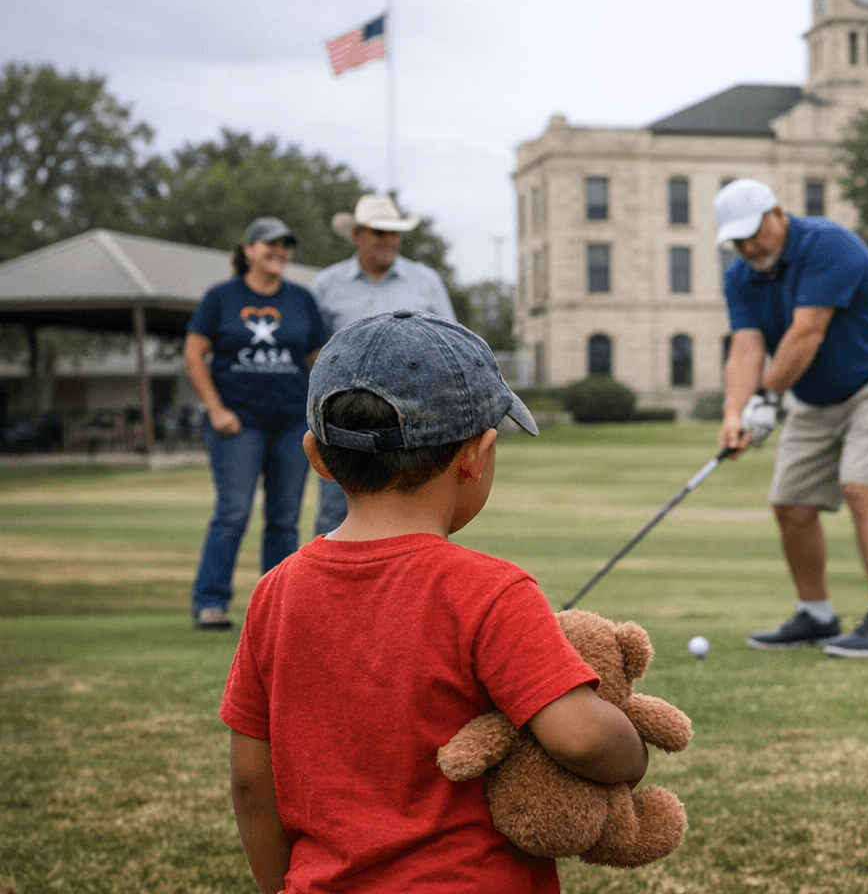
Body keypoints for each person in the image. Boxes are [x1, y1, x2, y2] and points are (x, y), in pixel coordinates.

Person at [220, 310, 648, 893]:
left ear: (317, 458)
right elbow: (582, 737)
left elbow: (250, 778)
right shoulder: (492, 591)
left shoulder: (275, 592)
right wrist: (631, 745)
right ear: (477, 454)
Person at [714, 179, 868, 658]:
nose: (749, 247)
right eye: (737, 240)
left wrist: (767, 397)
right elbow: (746, 347)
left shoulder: (827, 243)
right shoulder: (741, 277)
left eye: (755, 233)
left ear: (778, 214)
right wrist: (735, 413)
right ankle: (816, 615)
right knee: (791, 504)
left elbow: (808, 332)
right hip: (813, 396)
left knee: (862, 487)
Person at [185, 217, 328, 631]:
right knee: (233, 513)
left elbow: (318, 358)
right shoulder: (221, 297)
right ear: (247, 249)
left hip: (291, 424)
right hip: (237, 423)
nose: (279, 251)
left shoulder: (301, 300)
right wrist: (215, 409)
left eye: (285, 245)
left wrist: (321, 411)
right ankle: (210, 602)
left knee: (284, 519)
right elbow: (194, 355)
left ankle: (276, 606)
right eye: (270, 244)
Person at [308, 193, 456, 537]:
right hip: (341, 417)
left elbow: (449, 343)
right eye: (380, 232)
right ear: (357, 235)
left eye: (395, 233)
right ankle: (329, 590)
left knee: (416, 510)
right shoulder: (325, 286)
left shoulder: (426, 282)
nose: (390, 241)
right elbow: (311, 351)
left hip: (412, 417)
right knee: (335, 509)